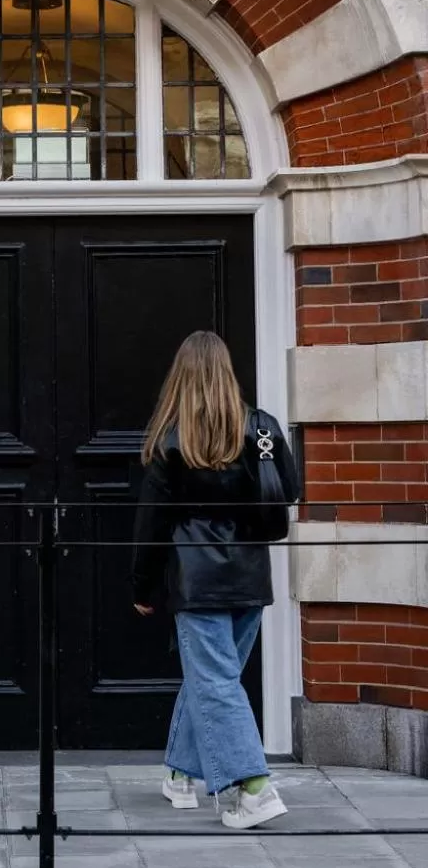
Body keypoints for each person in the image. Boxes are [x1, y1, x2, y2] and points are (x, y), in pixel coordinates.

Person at [131, 331, 300, 831]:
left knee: (216, 682)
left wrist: (142, 587)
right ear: (227, 371)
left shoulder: (170, 439)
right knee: (215, 679)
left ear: (180, 376)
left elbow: (151, 524)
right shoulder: (262, 428)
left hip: (197, 580)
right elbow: (288, 489)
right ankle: (180, 776)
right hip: (249, 577)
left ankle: (254, 788)